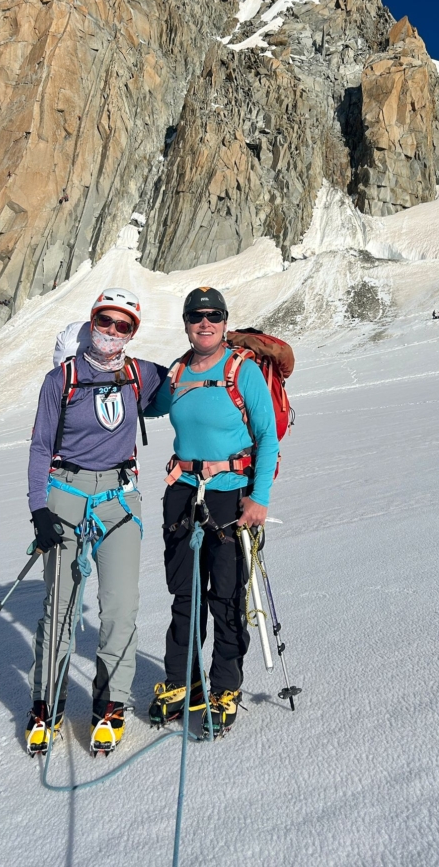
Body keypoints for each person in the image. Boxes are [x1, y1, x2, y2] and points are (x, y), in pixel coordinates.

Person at [25, 287, 166, 756]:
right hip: (65, 494)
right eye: (105, 321)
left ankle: (111, 704)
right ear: (93, 322)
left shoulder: (141, 374)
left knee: (120, 606)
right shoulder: (61, 378)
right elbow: (41, 446)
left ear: (133, 332)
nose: (112, 331)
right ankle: (47, 704)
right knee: (60, 608)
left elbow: (188, 384)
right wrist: (38, 508)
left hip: (120, 501)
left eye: (122, 325)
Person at [146, 287, 279, 737]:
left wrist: (258, 498)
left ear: (225, 321)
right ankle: (185, 680)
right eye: (196, 316)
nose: (205, 323)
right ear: (185, 323)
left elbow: (267, 436)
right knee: (185, 593)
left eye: (214, 316)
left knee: (225, 594)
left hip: (229, 493)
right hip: (182, 491)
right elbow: (147, 405)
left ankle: (225, 683)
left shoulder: (242, 372)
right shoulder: (177, 373)